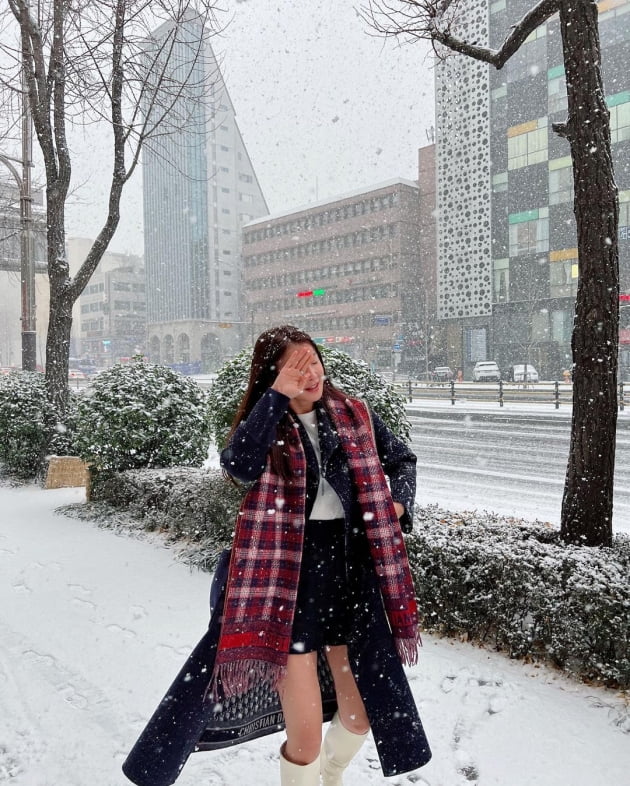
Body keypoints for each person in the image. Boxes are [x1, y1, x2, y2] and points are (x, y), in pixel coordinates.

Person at [211, 325, 431, 785]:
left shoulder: (354, 413)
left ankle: (329, 776)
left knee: (359, 717)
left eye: (312, 360)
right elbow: (239, 467)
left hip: (350, 579)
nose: (310, 373)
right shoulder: (266, 423)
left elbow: (402, 460)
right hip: (286, 582)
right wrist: (274, 398)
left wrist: (400, 503)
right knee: (305, 738)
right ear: (274, 375)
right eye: (295, 367)